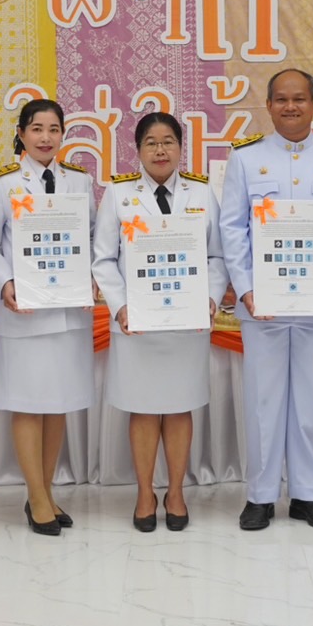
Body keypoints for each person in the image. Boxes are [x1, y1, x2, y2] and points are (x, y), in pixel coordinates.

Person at [218, 69, 313, 532]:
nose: (290, 107)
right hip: (261, 303)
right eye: (281, 99)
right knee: (264, 402)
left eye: (299, 99)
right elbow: (232, 228)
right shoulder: (245, 159)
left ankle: (308, 495)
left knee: (310, 401)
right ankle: (260, 496)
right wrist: (244, 287)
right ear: (268, 105)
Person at [92, 112, 227, 532]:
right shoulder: (118, 195)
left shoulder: (202, 194)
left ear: (180, 148)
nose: (161, 150)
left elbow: (217, 256)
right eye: (151, 142)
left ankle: (176, 492)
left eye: (168, 141)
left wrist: (208, 296)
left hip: (186, 321)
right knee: (145, 408)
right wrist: (120, 306)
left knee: (180, 404)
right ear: (138, 151)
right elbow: (103, 259)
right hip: (138, 322)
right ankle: (145, 492)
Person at [0, 98, 95, 536]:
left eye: (54, 129)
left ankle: (43, 492)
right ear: (22, 134)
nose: (46, 137)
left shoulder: (79, 183)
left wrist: (90, 278)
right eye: (37, 129)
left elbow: (92, 238)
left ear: (63, 135)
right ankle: (37, 496)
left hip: (66, 313)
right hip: (22, 311)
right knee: (27, 404)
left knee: (57, 404)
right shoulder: (2, 183)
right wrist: (4, 282)